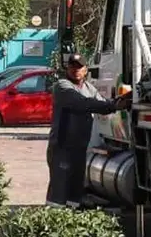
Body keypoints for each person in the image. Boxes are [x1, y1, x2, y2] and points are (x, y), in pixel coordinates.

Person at [45, 53, 131, 208]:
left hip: (80, 147)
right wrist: (113, 106)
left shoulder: (88, 87)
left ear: (85, 70)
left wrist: (119, 101)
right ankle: (53, 222)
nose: (75, 70)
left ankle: (72, 221)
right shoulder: (62, 86)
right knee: (59, 190)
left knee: (75, 190)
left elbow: (101, 104)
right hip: (62, 148)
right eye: (72, 67)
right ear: (67, 69)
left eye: (79, 67)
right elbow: (82, 103)